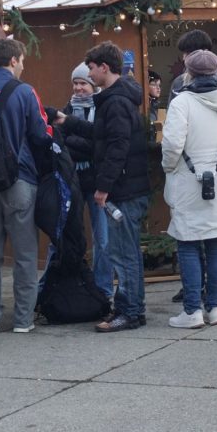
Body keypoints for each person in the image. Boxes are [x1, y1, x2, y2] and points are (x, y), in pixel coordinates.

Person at [58, 41, 150, 332]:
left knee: (124, 254)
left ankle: (130, 312)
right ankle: (130, 308)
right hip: (126, 187)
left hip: (123, 190)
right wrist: (69, 121)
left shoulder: (116, 102)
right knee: (125, 252)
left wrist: (103, 187)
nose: (89, 75)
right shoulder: (115, 99)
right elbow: (102, 135)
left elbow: (117, 147)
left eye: (92, 69)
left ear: (104, 68)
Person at [161, 49, 217, 328]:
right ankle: (215, 308)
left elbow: (173, 145)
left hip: (191, 180)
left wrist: (169, 167)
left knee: (188, 243)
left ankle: (192, 311)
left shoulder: (182, 102)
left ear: (188, 72)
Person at [0, 38, 52, 335]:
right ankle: (22, 320)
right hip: (20, 181)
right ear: (14, 60)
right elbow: (41, 135)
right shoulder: (25, 91)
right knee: (26, 254)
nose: (23, 65)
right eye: (23, 60)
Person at [60, 62, 112, 299]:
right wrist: (84, 143)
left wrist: (76, 141)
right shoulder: (67, 109)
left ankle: (104, 289)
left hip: (97, 183)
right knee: (67, 234)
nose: (79, 88)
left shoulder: (101, 109)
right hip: (72, 181)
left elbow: (98, 145)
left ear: (93, 86)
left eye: (83, 83)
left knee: (102, 240)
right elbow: (61, 143)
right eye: (76, 83)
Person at [169, 29, 217, 102]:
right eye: (183, 53)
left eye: (187, 53)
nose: (184, 58)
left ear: (204, 52)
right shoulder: (179, 82)